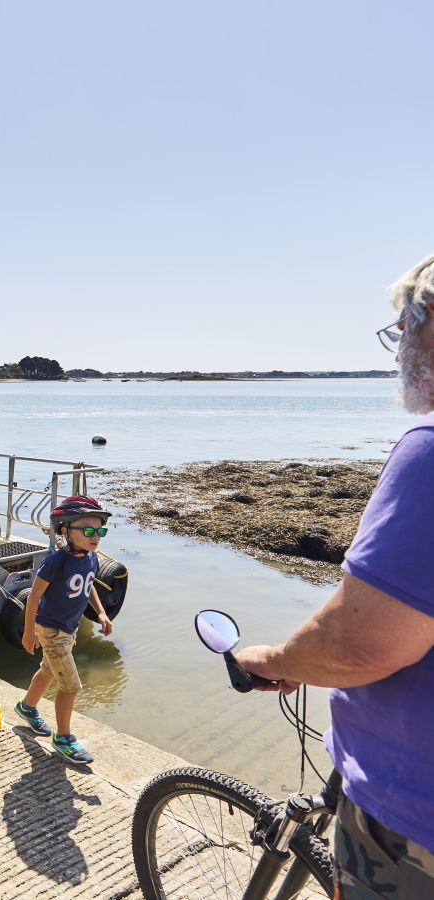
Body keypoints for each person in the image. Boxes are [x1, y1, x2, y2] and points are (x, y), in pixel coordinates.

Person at [232, 254, 434, 896]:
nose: (399, 342)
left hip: (411, 823)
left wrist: (270, 656)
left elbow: (356, 646)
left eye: (406, 323)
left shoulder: (429, 454)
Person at [14, 496, 114, 766]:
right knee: (70, 685)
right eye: (88, 530)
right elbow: (33, 597)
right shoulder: (56, 562)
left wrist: (101, 612)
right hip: (51, 629)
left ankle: (27, 707)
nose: (96, 537)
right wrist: (28, 632)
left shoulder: (91, 558)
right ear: (65, 531)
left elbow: (89, 584)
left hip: (68, 629)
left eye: (100, 531)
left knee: (48, 670)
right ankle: (64, 737)